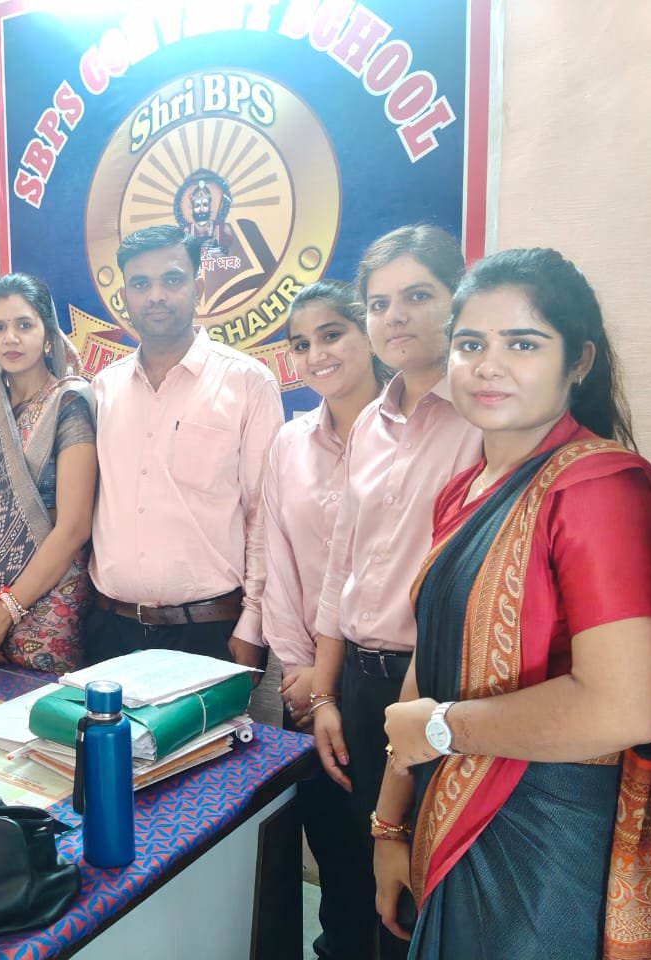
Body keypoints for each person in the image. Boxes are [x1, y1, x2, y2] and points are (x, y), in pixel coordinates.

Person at [373, 248, 651, 958]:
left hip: (545, 848)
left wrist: (443, 730)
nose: (489, 366)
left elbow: (624, 709)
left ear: (579, 361)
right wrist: (389, 823)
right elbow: (430, 660)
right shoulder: (463, 490)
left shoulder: (599, 491)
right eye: (470, 344)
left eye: (523, 344)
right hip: (447, 805)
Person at [308, 226, 483, 960]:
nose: (396, 317)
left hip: (434, 684)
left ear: (458, 301)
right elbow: (340, 567)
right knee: (353, 876)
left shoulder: (482, 418)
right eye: (379, 303)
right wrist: (322, 694)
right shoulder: (371, 425)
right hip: (357, 681)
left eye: (417, 296)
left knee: (416, 888)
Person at [252, 282, 389, 959]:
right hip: (307, 677)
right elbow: (276, 559)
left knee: (399, 853)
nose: (316, 354)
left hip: (393, 674)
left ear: (370, 335)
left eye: (332, 334)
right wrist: (301, 671)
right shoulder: (290, 442)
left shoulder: (414, 433)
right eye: (301, 343)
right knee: (335, 849)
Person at [85, 224, 283, 667]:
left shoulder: (247, 383)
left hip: (211, 631)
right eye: (141, 284)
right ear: (125, 296)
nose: (156, 295)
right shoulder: (102, 389)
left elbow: (265, 513)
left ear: (198, 287)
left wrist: (253, 622)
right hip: (109, 629)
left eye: (171, 280)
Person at [0, 274, 97, 672]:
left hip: (50, 603)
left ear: (48, 336)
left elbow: (74, 527)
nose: (10, 338)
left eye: (24, 325)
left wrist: (4, 613)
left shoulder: (68, 403)